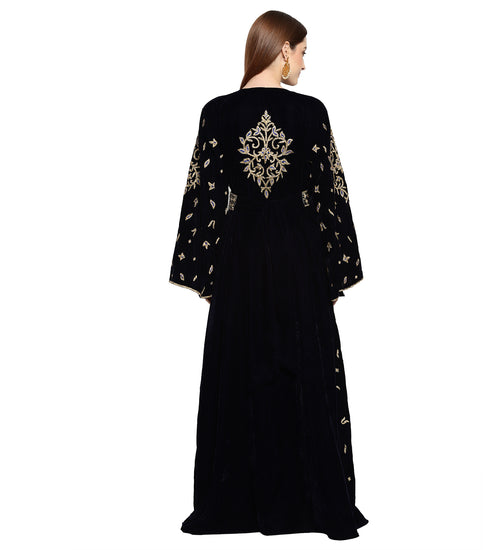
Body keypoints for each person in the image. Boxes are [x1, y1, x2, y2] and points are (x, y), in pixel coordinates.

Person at [168, 9, 368, 541]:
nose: (304, 64)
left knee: (240, 368)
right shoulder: (311, 113)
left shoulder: (217, 114)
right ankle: (311, 503)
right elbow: (330, 196)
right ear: (282, 50)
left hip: (238, 260)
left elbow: (202, 199)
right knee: (304, 368)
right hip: (300, 258)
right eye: (302, 52)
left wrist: (208, 277)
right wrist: (334, 270)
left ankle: (235, 505)